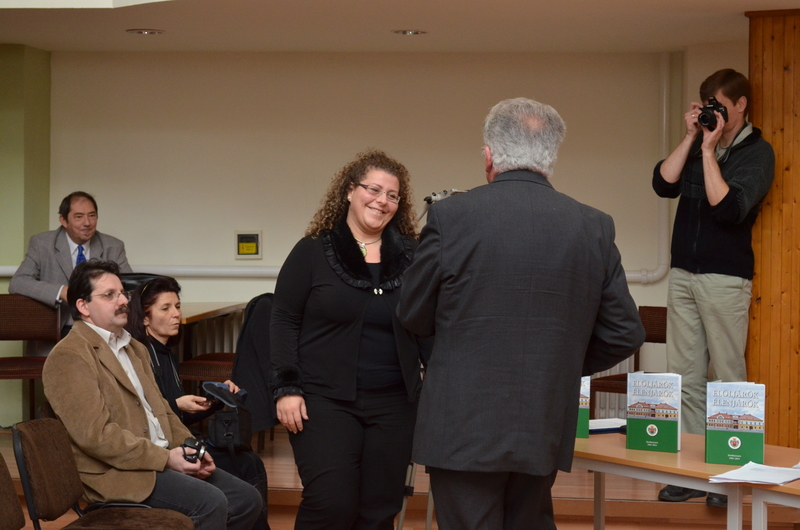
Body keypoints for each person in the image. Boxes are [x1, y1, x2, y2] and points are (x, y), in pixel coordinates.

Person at [397, 97, 645, 530]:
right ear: (550, 158)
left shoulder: (451, 216)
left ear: (489, 156)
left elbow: (413, 312)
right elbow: (625, 332)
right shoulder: (593, 226)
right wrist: (559, 362)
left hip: (461, 423)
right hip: (543, 416)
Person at [270, 149, 428, 529]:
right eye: (374, 189)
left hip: (395, 403)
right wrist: (286, 388)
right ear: (349, 191)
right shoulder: (312, 251)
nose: (382, 201)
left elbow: (429, 323)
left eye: (392, 195)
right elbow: (283, 319)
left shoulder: (412, 255)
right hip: (323, 401)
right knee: (331, 503)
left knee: (380, 509)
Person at [42, 259, 262, 530]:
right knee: (212, 503)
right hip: (119, 473)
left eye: (122, 293)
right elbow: (96, 436)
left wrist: (193, 449)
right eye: (109, 295)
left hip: (159, 457)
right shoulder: (69, 356)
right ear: (83, 306)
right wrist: (165, 458)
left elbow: (163, 411)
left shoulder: (135, 347)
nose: (123, 300)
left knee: (247, 500)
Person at [652, 69, 775, 508]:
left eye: (721, 106)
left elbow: (728, 209)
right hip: (683, 273)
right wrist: (691, 138)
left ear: (741, 104)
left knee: (726, 376)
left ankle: (729, 475)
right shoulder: (698, 141)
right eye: (708, 106)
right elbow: (662, 184)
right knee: (685, 376)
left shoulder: (758, 153)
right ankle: (692, 474)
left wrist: (709, 151)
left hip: (725, 278)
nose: (714, 114)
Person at [126, 276, 270, 530]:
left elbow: (181, 415)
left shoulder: (167, 355)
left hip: (182, 438)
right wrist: (177, 404)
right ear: (145, 318)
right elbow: (144, 416)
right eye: (165, 308)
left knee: (250, 461)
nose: (176, 314)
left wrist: (215, 401)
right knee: (247, 463)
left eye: (177, 306)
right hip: (167, 450)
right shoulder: (140, 356)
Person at [10, 191, 132, 331]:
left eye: (92, 215)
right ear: (63, 220)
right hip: (57, 327)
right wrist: (62, 291)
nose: (87, 223)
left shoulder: (113, 246)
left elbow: (131, 286)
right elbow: (18, 282)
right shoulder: (42, 244)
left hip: (102, 327)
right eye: (79, 217)